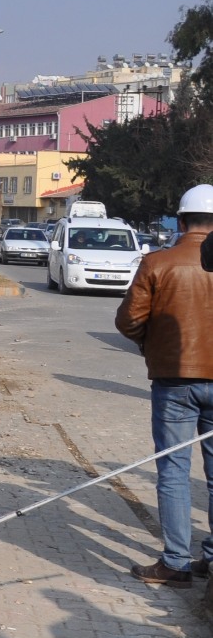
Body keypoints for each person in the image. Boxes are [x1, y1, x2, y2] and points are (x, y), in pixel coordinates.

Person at [117, 184, 213, 587]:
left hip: (174, 380)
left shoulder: (158, 262)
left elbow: (128, 320)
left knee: (173, 471)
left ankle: (175, 561)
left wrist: (147, 343)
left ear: (181, 220)